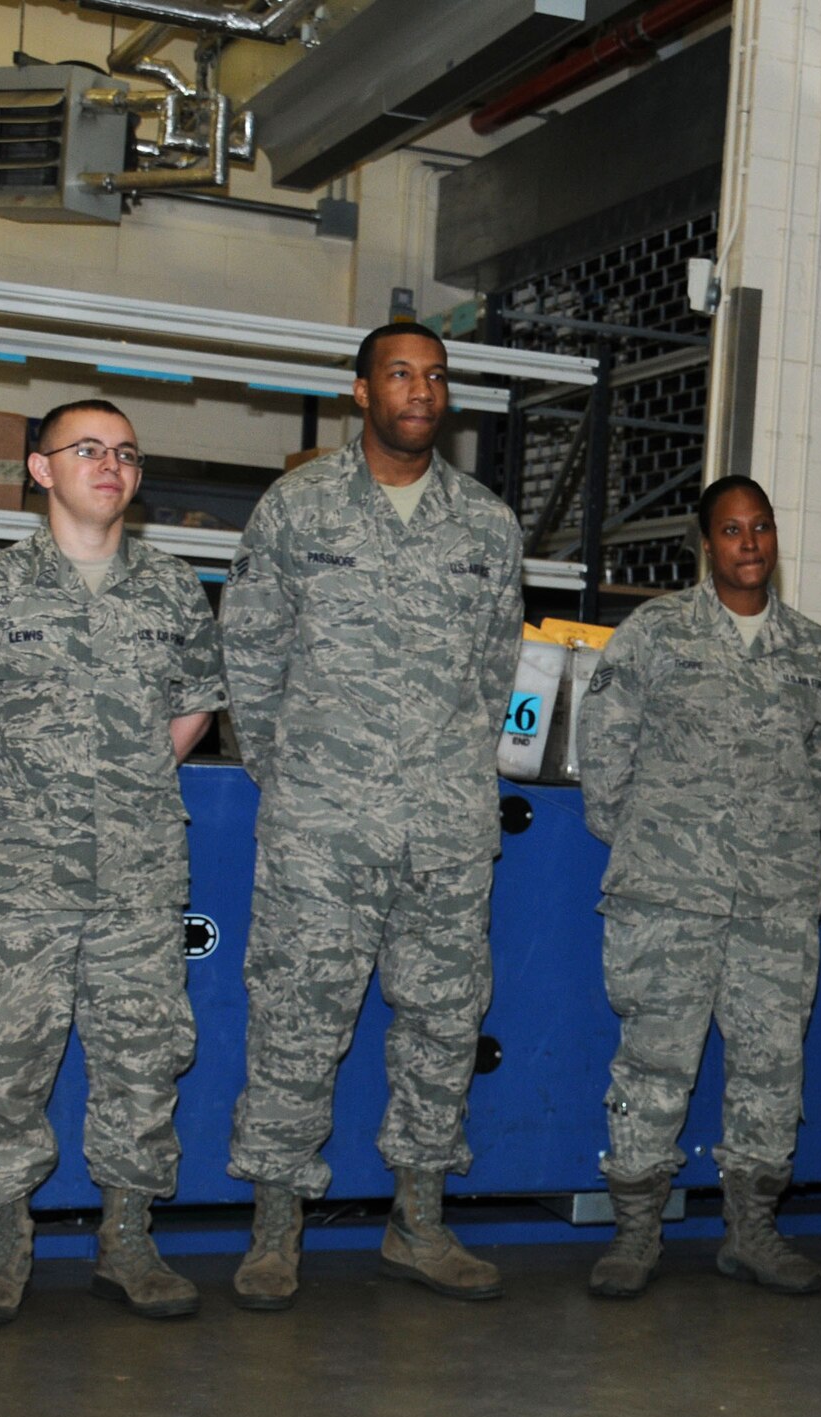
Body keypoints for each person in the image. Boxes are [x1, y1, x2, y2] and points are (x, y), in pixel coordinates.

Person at [0, 399, 224, 1324]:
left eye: (125, 453)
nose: (110, 465)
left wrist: (133, 779)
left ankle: (127, 1241)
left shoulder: (171, 588)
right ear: (41, 471)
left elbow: (199, 699)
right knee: (2, 1058)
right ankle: (4, 1244)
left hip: (139, 874)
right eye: (87, 449)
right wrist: (6, 784)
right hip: (19, 876)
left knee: (140, 1057)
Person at [220, 321, 525, 1310]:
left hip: (443, 825)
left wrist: (442, 776)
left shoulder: (485, 525)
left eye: (434, 376)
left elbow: (494, 673)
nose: (421, 390)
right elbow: (250, 660)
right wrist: (301, 778)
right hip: (321, 825)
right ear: (361, 391)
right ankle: (274, 1234)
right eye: (400, 373)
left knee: (441, 1021)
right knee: (296, 1017)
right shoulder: (297, 507)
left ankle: (419, 1225)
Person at [576, 475, 821, 1298]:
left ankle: (753, 1230)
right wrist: (647, 839)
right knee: (653, 1064)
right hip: (667, 895)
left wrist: (779, 841)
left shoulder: (814, 649)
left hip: (775, 900)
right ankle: (635, 1232)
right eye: (732, 530)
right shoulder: (655, 633)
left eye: (761, 528)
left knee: (771, 1066)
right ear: (708, 544)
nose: (749, 544)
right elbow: (604, 746)